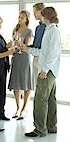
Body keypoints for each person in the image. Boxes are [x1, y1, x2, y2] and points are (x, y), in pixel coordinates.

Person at [21, 7, 61, 137]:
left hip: (47, 71)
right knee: (50, 99)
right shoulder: (49, 30)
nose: (40, 17)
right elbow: (43, 52)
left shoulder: (53, 31)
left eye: (42, 15)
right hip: (50, 70)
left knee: (40, 100)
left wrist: (44, 69)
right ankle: (51, 126)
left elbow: (53, 53)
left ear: (46, 17)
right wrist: (27, 49)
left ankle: (40, 130)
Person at [8, 10, 34, 120]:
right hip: (16, 57)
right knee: (16, 83)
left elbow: (27, 45)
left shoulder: (29, 31)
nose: (20, 18)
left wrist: (20, 43)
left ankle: (24, 109)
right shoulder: (15, 29)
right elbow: (14, 44)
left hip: (24, 58)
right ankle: (18, 108)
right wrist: (12, 45)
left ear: (27, 19)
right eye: (19, 17)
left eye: (22, 17)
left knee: (26, 83)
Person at [29, 3, 46, 89]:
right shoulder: (38, 27)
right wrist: (26, 46)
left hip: (43, 59)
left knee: (42, 87)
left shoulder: (48, 27)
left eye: (35, 12)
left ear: (41, 11)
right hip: (35, 58)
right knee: (36, 85)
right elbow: (36, 44)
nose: (34, 14)